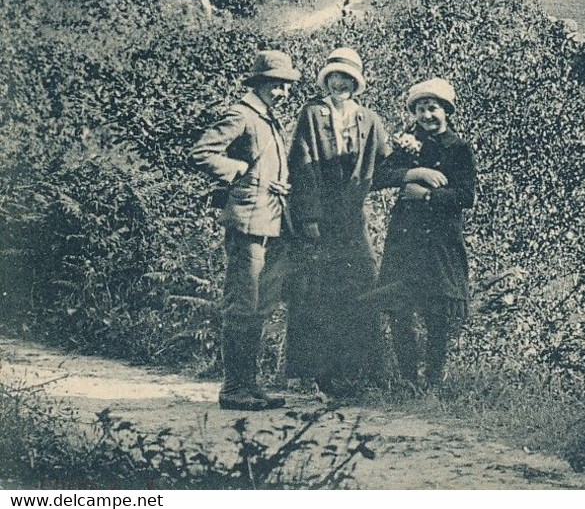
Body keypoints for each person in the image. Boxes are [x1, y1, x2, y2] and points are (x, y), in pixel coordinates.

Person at [190, 49, 300, 411]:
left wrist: (277, 183)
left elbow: (269, 167)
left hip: (272, 222)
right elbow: (202, 153)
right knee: (242, 305)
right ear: (259, 83)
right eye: (276, 85)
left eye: (285, 86)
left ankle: (250, 386)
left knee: (260, 307)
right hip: (248, 223)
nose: (282, 92)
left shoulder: (268, 118)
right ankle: (233, 388)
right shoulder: (241, 114)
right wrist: (241, 173)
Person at [286, 47, 395, 400]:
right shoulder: (311, 115)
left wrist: (414, 164)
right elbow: (301, 167)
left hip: (353, 216)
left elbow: (385, 165)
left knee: (362, 284)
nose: (340, 83)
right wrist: (310, 217)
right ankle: (314, 377)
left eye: (347, 78)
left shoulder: (369, 119)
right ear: (326, 79)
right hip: (321, 216)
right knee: (316, 290)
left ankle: (359, 373)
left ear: (356, 83)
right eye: (335, 77)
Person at [377, 78, 476, 391]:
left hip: (440, 242)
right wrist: (412, 174)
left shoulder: (458, 148)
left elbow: (466, 196)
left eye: (433, 108)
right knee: (400, 310)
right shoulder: (408, 143)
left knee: (438, 312)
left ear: (446, 111)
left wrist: (428, 196)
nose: (427, 115)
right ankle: (408, 379)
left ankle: (433, 380)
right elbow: (378, 176)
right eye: (421, 109)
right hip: (406, 240)